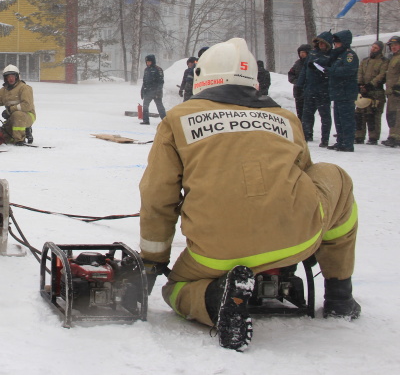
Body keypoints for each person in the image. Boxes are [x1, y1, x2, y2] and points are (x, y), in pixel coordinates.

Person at [138, 37, 360, 352]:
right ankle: (340, 295)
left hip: (215, 251)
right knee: (336, 178)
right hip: (295, 239)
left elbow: (157, 196)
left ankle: (214, 300)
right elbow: (304, 178)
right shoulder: (286, 118)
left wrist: (153, 260)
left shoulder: (177, 120)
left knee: (176, 288)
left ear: (203, 75)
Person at [325, 30, 359, 152]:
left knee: (346, 119)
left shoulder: (349, 55)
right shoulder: (338, 55)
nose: (335, 45)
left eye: (337, 43)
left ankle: (348, 143)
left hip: (346, 92)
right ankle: (341, 141)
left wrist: (332, 71)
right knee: (338, 120)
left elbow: (348, 70)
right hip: (338, 91)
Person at [302, 31, 334, 146]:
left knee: (325, 116)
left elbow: (330, 70)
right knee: (307, 115)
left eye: (323, 43)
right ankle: (305, 135)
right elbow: (305, 70)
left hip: (323, 90)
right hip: (310, 89)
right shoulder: (312, 54)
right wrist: (300, 84)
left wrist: (319, 68)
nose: (321, 45)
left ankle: (324, 139)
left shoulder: (331, 55)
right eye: (319, 43)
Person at [355, 41, 388, 145]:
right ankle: (359, 135)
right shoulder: (365, 61)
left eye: (376, 48)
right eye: (372, 47)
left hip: (376, 92)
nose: (373, 49)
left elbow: (382, 75)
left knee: (373, 115)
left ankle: (373, 137)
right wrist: (360, 84)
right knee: (359, 114)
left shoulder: (384, 61)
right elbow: (360, 72)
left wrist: (371, 84)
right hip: (363, 92)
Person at [0, 64, 35, 145]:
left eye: (13, 76)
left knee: (18, 115)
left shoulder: (24, 88)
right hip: (12, 118)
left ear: (17, 77)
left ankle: (20, 140)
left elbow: (27, 105)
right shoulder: (3, 91)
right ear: (5, 78)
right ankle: (22, 132)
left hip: (28, 115)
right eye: (8, 76)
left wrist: (10, 110)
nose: (11, 78)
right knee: (3, 138)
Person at [383, 35, 400, 148]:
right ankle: (392, 135)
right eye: (391, 45)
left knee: (397, 115)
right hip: (391, 92)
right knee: (391, 115)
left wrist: (398, 86)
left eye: (395, 45)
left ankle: (396, 137)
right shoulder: (393, 58)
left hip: (397, 92)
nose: (393, 47)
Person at [140, 54, 166, 125]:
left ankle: (165, 120)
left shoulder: (158, 69)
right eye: (147, 62)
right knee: (145, 106)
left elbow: (161, 82)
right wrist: (142, 91)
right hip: (148, 92)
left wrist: (158, 92)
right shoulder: (146, 70)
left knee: (160, 106)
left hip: (156, 92)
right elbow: (144, 81)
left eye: (149, 62)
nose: (148, 63)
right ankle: (146, 120)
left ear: (153, 61)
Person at [288, 44, 312, 119]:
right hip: (298, 92)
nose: (301, 54)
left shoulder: (311, 63)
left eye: (303, 52)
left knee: (308, 114)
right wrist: (296, 81)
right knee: (300, 114)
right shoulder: (297, 64)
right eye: (300, 52)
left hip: (308, 92)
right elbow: (291, 74)